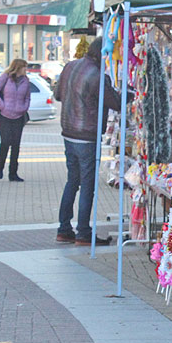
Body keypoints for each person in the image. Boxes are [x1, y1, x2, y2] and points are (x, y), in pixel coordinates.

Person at [53, 37, 131, 246]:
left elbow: (58, 95)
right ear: (102, 54)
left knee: (72, 181)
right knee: (87, 185)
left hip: (68, 133)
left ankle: (64, 228)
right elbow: (116, 102)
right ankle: (83, 232)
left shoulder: (69, 67)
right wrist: (128, 94)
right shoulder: (97, 76)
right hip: (86, 136)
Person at [0, 58, 30, 182]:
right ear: (18, 67)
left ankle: (13, 173)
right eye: (24, 67)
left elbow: (27, 97)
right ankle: (0, 167)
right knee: (6, 142)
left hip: (18, 116)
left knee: (16, 145)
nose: (26, 69)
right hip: (4, 116)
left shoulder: (26, 81)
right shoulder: (5, 77)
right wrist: (1, 105)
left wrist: (24, 107)